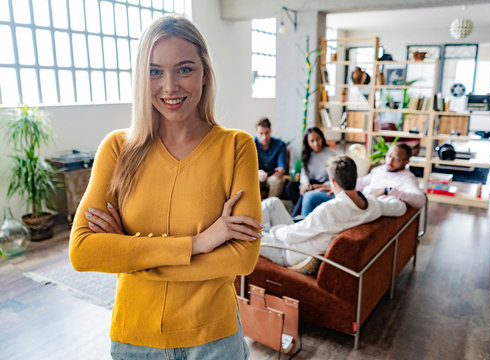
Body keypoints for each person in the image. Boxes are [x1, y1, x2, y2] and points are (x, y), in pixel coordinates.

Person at [69, 15, 262, 360]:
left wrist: (127, 252)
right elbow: (83, 252)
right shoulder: (117, 149)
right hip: (134, 339)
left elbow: (243, 258)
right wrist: (199, 244)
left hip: (214, 338)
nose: (170, 87)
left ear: (204, 73)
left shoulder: (236, 147)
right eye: (155, 72)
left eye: (184, 69)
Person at [259, 155, 406, 267]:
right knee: (273, 202)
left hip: (289, 252)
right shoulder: (373, 206)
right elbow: (401, 207)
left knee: (243, 232)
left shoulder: (329, 210)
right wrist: (383, 192)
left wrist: (273, 230)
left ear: (333, 182)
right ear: (355, 176)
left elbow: (291, 235)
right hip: (298, 240)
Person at [302, 143, 426, 215]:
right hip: (354, 196)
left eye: (396, 159)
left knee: (311, 198)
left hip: (362, 206)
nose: (390, 161)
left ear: (406, 161)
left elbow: (421, 200)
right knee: (311, 194)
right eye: (389, 156)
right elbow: (361, 182)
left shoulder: (407, 178)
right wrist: (336, 185)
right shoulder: (380, 170)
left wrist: (387, 190)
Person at [285, 127, 337, 216]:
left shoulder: (331, 154)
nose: (316, 143)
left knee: (306, 193)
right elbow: (304, 173)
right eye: (312, 141)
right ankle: (298, 212)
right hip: (310, 183)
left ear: (322, 138)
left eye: (318, 139)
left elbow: (335, 178)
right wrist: (305, 184)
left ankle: (295, 215)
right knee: (291, 187)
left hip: (324, 184)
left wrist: (318, 186)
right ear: (308, 143)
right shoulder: (307, 154)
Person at [254, 117, 288, 198]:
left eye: (267, 133)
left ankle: (268, 206)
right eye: (261, 133)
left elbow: (282, 165)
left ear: (270, 131)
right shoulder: (251, 144)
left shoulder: (280, 144)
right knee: (250, 180)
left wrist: (281, 170)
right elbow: (247, 167)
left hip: (272, 177)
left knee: (277, 180)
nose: (264, 137)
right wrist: (257, 172)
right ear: (256, 133)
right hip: (257, 176)